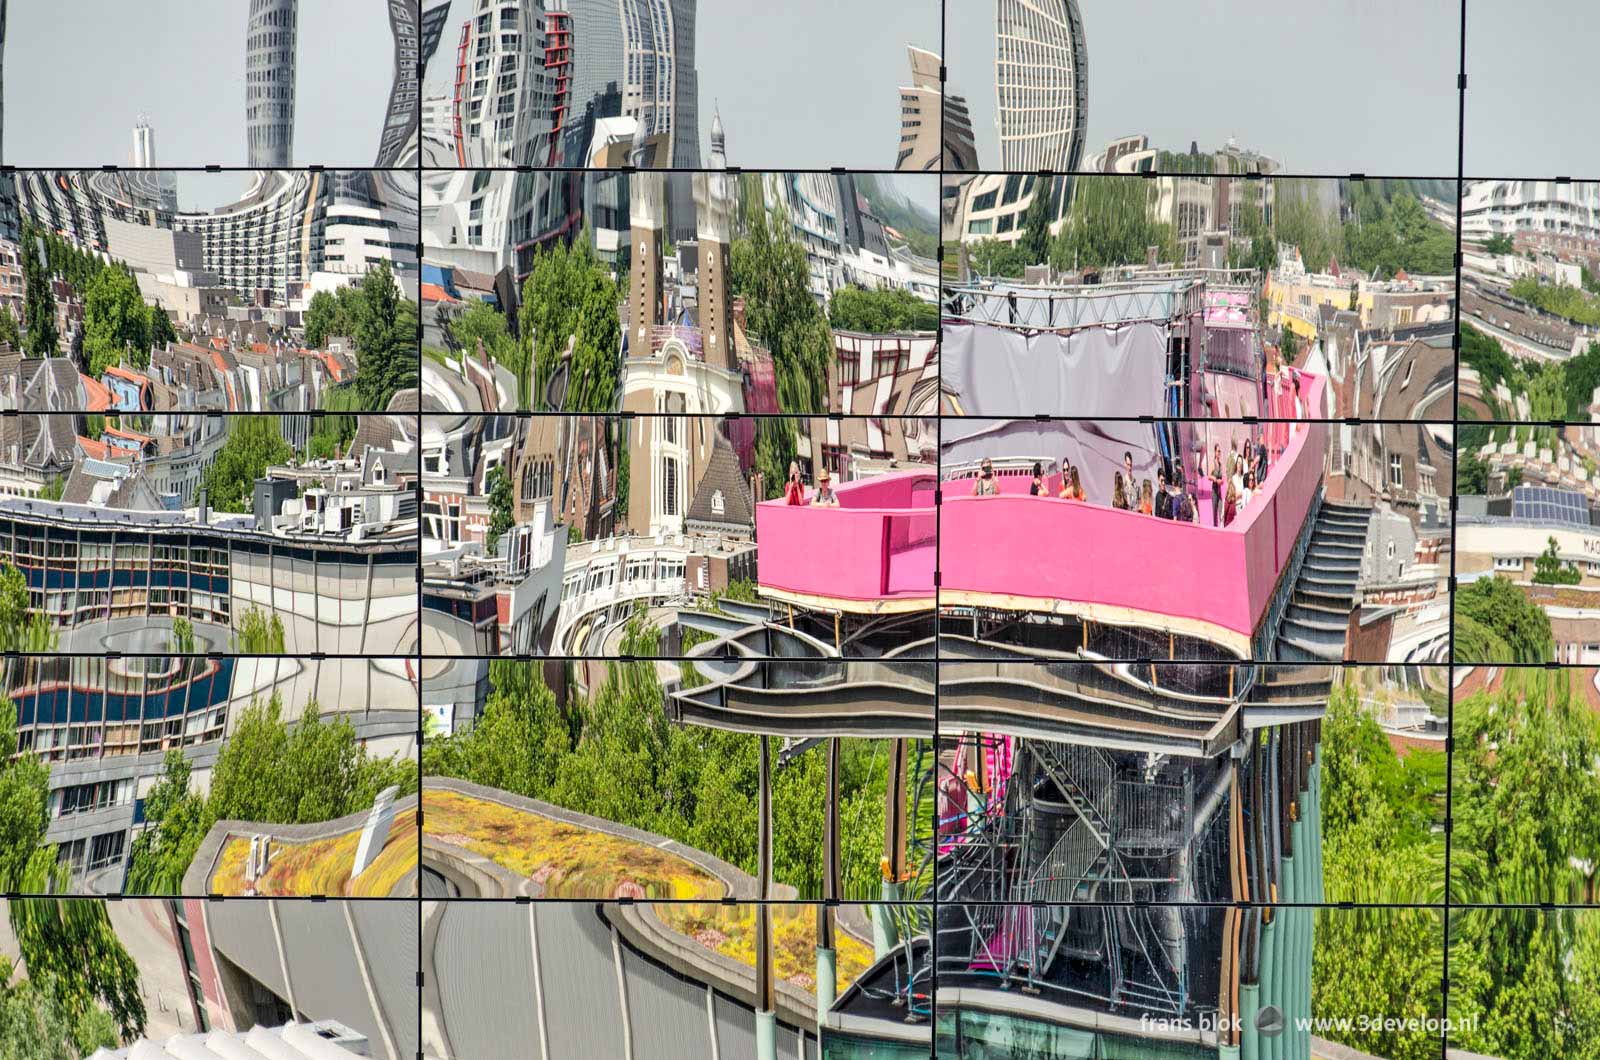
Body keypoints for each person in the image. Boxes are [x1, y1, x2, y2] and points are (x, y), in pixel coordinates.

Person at [1209, 445, 1225, 527]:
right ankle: (1215, 528)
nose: (1219, 453)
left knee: (1221, 511)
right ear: (1215, 452)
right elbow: (1209, 476)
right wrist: (1216, 480)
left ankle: (1221, 528)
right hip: (1214, 491)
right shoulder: (1213, 463)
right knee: (1214, 512)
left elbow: (1221, 477)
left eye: (1220, 451)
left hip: (1219, 491)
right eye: (1218, 451)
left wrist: (1221, 481)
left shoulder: (1220, 464)